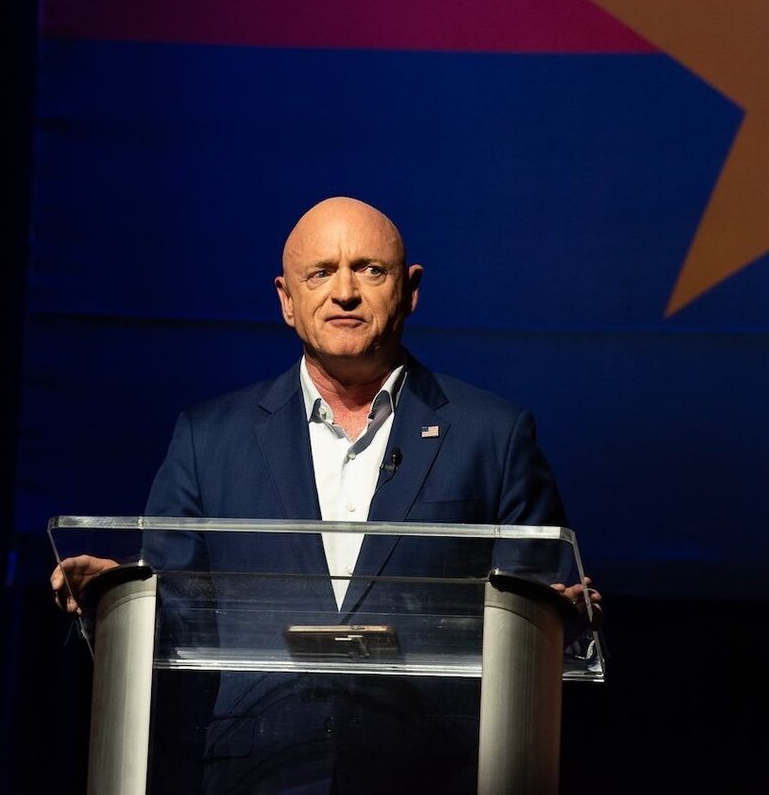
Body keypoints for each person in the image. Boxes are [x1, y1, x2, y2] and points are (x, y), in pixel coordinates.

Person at [52, 196, 600, 793]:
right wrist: (116, 597)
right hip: (259, 770)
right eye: (320, 273)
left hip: (435, 771)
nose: (344, 292)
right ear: (287, 299)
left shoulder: (493, 435)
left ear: (410, 290)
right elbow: (176, 613)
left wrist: (563, 614)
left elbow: (540, 614)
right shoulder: (208, 439)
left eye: (370, 269)